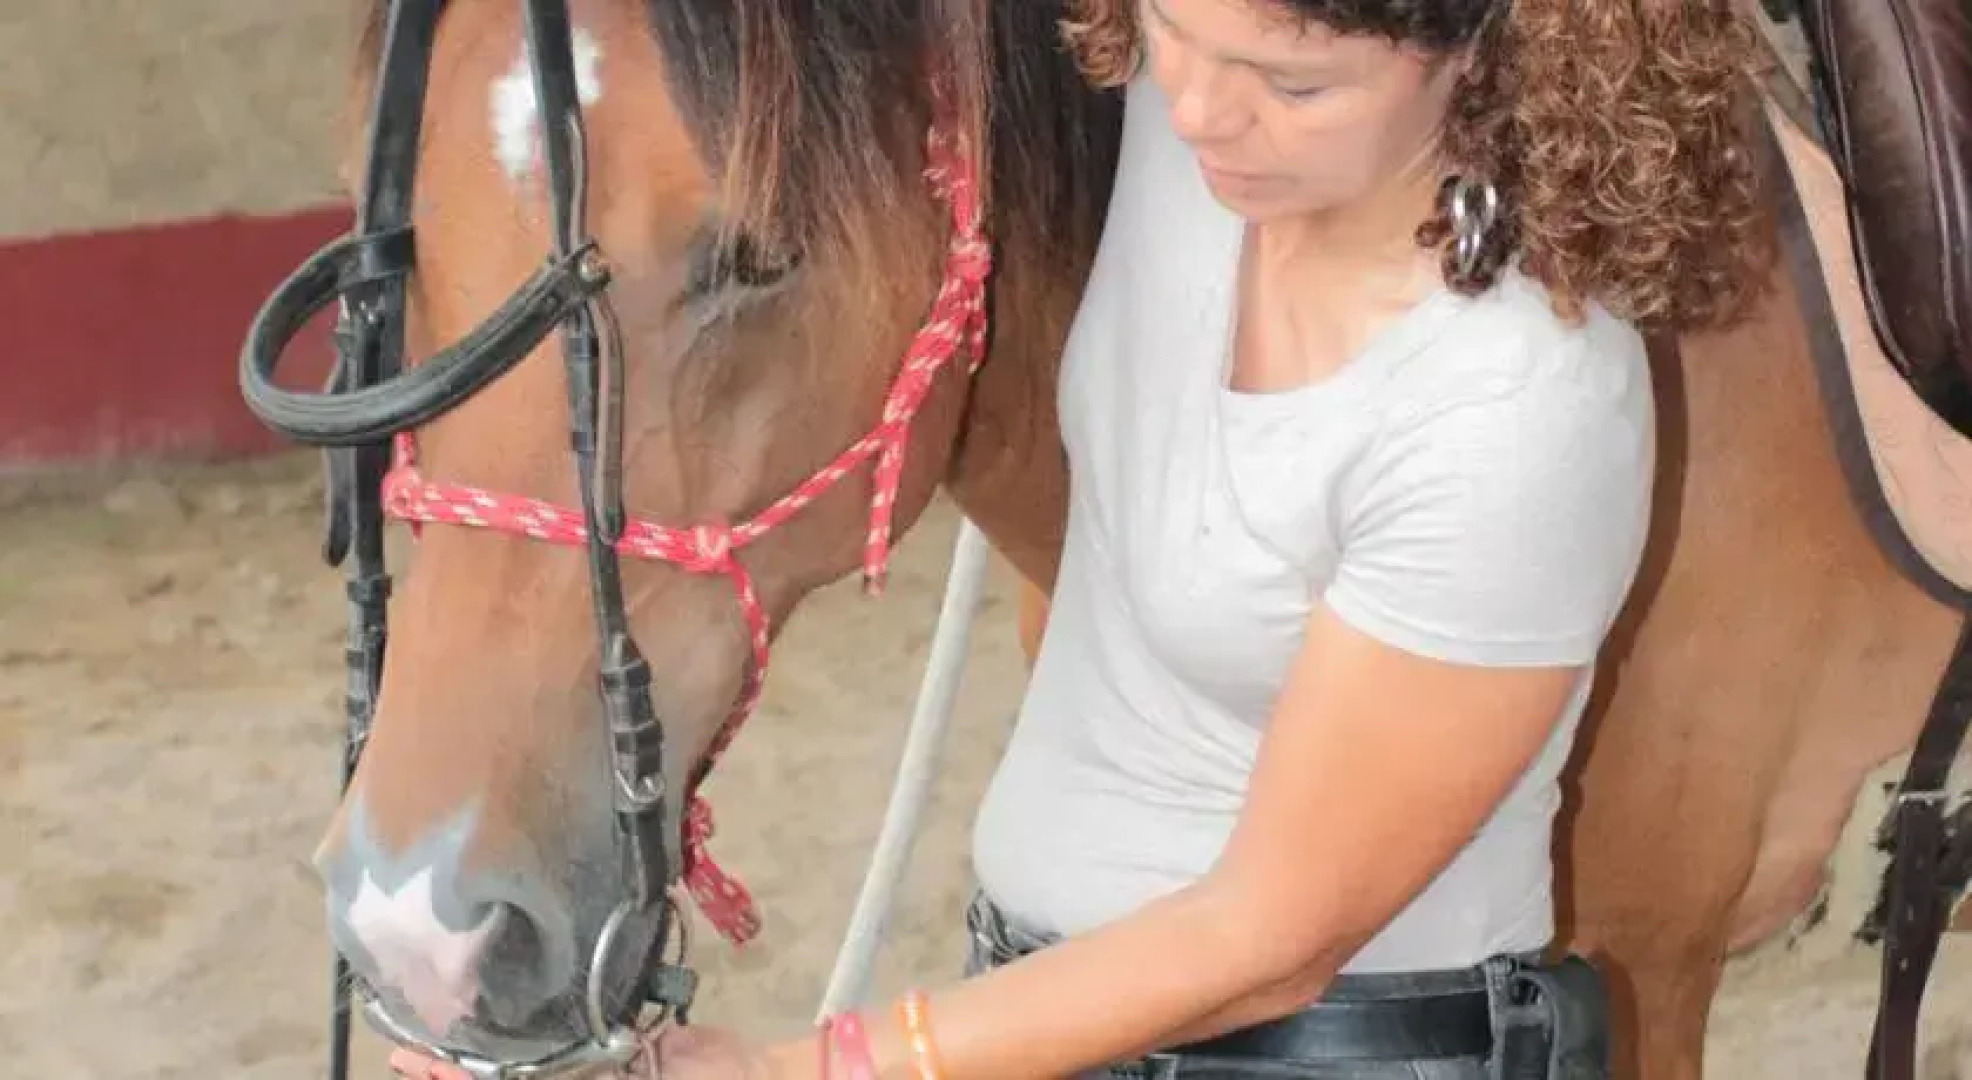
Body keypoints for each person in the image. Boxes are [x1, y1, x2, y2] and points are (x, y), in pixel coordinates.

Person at [658, 0, 1766, 1077]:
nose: (1197, 111)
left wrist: (812, 1066)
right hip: (1040, 1004)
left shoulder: (1516, 402)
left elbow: (1271, 940)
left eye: (1294, 85)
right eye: (1171, 32)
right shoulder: (1191, 129)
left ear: (1488, 51)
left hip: (1325, 1043)